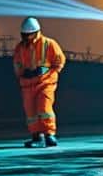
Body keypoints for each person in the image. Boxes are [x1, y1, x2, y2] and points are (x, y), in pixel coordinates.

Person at [12, 16, 65, 147]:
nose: (26, 37)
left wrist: (48, 72)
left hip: (45, 83)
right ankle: (36, 137)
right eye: (25, 35)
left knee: (44, 107)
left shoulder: (49, 43)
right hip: (27, 84)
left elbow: (59, 61)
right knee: (30, 112)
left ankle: (49, 135)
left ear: (36, 32)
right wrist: (23, 73)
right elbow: (17, 64)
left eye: (29, 34)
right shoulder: (20, 47)